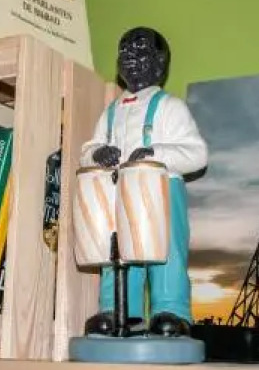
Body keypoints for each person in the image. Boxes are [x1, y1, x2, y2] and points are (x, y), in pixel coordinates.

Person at [80, 26, 208, 337]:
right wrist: (98, 153)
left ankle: (172, 310)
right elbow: (87, 150)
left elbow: (197, 154)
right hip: (118, 192)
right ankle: (120, 310)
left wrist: (155, 153)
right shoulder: (111, 112)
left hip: (162, 191)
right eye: (124, 51)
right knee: (117, 252)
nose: (129, 56)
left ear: (160, 62)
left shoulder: (170, 107)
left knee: (166, 252)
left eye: (139, 50)